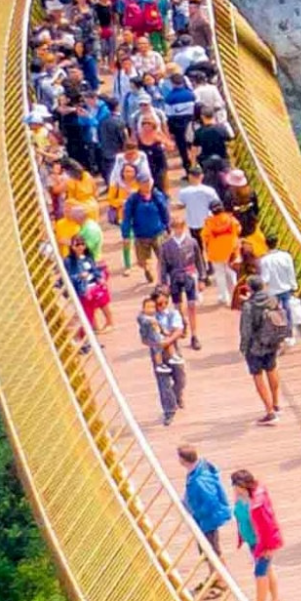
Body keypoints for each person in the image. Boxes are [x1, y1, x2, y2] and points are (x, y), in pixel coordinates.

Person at [238, 275, 290, 424]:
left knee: (258, 376)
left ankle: (270, 412)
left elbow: (246, 330)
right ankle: (276, 403)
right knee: (272, 369)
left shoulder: (249, 305)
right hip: (272, 341)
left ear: (250, 288)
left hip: (255, 346)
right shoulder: (272, 299)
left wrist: (244, 347)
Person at [229, 470, 283, 601]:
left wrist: (268, 548)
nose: (233, 487)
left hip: (263, 544)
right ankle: (275, 599)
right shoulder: (240, 498)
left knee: (260, 573)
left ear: (241, 486)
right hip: (252, 541)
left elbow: (268, 526)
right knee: (267, 569)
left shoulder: (256, 505)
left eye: (234, 485)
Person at [137, 288, 187, 425]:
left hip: (173, 349)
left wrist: (167, 341)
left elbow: (179, 330)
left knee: (180, 378)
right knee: (163, 382)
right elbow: (144, 338)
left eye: (165, 303)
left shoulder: (172, 314)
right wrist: (156, 343)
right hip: (157, 351)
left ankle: (177, 395)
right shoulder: (147, 318)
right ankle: (169, 410)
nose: (163, 306)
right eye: (159, 304)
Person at [158, 210, 205, 349]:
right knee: (177, 306)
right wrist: (163, 282)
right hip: (174, 277)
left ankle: (194, 335)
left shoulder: (192, 242)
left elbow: (199, 260)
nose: (178, 230)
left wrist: (202, 278)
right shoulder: (166, 245)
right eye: (175, 227)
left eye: (180, 227)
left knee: (192, 305)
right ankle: (182, 322)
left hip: (189, 275)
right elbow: (163, 265)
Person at [178, 445, 233, 555]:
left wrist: (197, 513)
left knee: (212, 552)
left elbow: (211, 500)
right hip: (203, 519)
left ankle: (217, 567)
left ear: (184, 460)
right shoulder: (195, 472)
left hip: (206, 521)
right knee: (208, 551)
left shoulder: (200, 479)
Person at [176, 165, 222, 285]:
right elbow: (217, 204)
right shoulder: (209, 190)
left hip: (193, 224)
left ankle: (203, 273)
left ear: (190, 177)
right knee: (209, 248)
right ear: (201, 176)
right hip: (208, 223)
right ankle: (211, 267)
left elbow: (181, 204)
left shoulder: (184, 192)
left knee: (198, 250)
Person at [121, 173, 169, 283]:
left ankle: (164, 279)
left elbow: (164, 212)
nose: (147, 185)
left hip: (158, 233)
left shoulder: (157, 196)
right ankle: (148, 270)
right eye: (144, 183)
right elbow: (127, 218)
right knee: (144, 261)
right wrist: (126, 235)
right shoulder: (133, 200)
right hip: (141, 235)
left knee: (164, 258)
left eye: (149, 182)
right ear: (138, 184)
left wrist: (167, 227)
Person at [64, 233, 113, 332]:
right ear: (72, 246)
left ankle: (109, 323)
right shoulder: (69, 261)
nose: (80, 247)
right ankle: (95, 327)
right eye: (77, 245)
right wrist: (79, 276)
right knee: (89, 307)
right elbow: (68, 277)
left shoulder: (88, 257)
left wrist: (99, 278)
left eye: (82, 244)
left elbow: (94, 270)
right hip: (82, 289)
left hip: (94, 285)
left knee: (103, 301)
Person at [256, 234, 297, 344]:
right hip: (285, 288)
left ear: (266, 244)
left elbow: (265, 277)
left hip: (272, 291)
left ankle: (278, 335)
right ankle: (289, 335)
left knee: (275, 314)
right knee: (287, 311)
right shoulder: (286, 256)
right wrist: (294, 286)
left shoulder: (264, 260)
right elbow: (291, 272)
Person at [202, 202, 242, 306]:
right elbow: (239, 229)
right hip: (231, 252)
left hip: (215, 253)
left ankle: (224, 298)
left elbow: (204, 237)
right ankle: (236, 295)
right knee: (232, 274)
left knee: (220, 275)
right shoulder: (230, 219)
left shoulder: (209, 223)